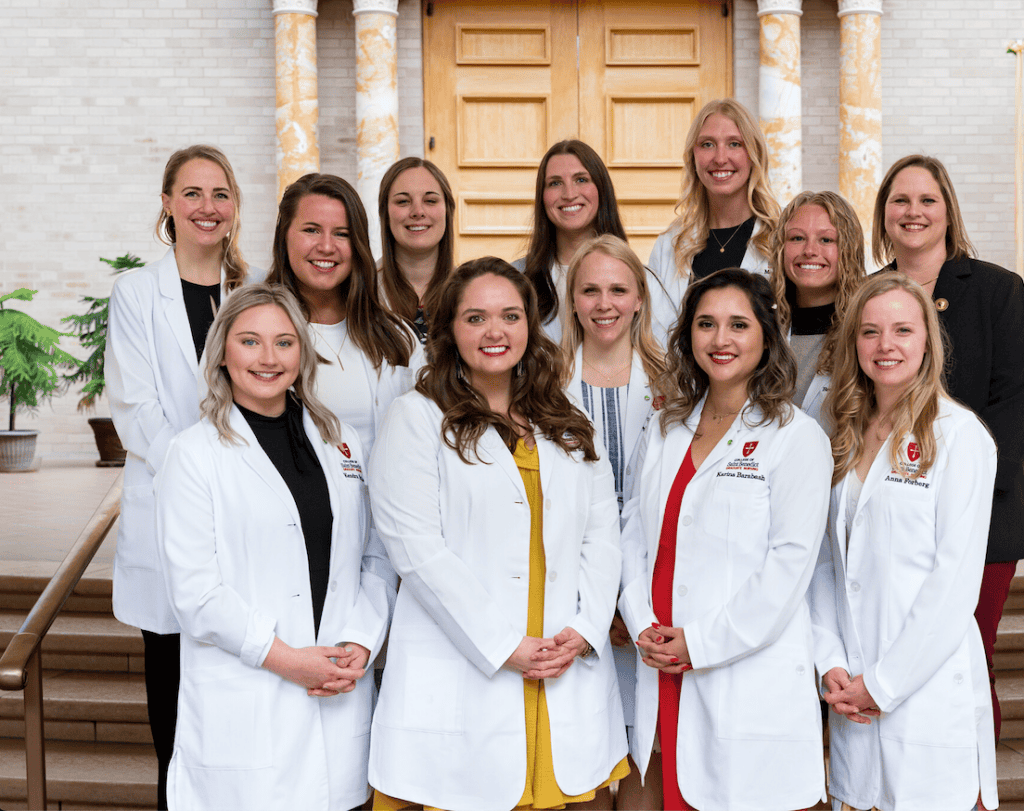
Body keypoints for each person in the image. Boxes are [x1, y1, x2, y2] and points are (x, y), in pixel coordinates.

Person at [368, 257, 628, 811]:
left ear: (531, 327)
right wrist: (504, 645)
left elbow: (603, 534)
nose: (495, 332)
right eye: (476, 318)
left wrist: (585, 628)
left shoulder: (567, 415)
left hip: (561, 662)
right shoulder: (415, 418)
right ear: (447, 331)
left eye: (511, 316)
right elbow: (417, 553)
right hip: (470, 665)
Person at [155, 284, 392, 811]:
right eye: (250, 342)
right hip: (247, 702)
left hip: (336, 689)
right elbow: (195, 592)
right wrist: (285, 659)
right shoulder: (193, 454)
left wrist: (360, 639)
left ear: (303, 353)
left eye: (284, 342)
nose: (268, 358)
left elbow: (374, 554)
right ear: (222, 353)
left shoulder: (344, 443)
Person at [619, 269, 831, 811]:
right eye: (706, 324)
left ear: (766, 336)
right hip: (659, 658)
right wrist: (642, 620)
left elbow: (790, 565)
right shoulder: (666, 426)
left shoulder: (795, 437)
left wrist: (701, 644)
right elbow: (634, 532)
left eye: (738, 324)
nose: (721, 340)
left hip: (739, 667)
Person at [107, 144, 262, 810]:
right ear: (167, 203)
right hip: (173, 517)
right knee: (174, 712)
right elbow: (137, 410)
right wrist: (210, 482)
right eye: (192, 193)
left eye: (220, 193)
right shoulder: (136, 293)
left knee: (238, 705)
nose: (207, 207)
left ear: (234, 208)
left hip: (249, 525)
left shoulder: (256, 294)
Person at [809, 273, 998, 811]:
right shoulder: (841, 434)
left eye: (902, 330)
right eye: (869, 332)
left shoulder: (960, 438)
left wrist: (883, 684)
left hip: (923, 690)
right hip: (852, 687)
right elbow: (825, 563)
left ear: (926, 341)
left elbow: (954, 583)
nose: (885, 346)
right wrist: (831, 664)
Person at [873, 154, 1024, 742]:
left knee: (962, 660)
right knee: (899, 654)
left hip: (978, 517)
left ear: (948, 210)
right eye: (900, 201)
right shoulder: (868, 295)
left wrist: (965, 496)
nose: (913, 212)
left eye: (926, 200)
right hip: (890, 511)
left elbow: (1014, 403)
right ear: (883, 214)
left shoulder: (999, 291)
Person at [561, 234, 667, 810]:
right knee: (586, 766)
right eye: (591, 289)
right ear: (572, 299)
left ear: (639, 299)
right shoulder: (543, 381)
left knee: (645, 757)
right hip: (576, 601)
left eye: (618, 289)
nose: (605, 303)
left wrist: (633, 604)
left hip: (652, 599)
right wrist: (601, 606)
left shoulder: (678, 380)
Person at [267, 172, 421, 460]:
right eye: (311, 230)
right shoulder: (255, 333)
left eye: (342, 233)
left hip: (386, 503)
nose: (326, 246)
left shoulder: (398, 336)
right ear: (284, 236)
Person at [648, 99, 780, 342]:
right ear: (693, 157)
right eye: (707, 144)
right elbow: (654, 338)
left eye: (734, 144)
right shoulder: (669, 245)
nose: (720, 158)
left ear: (754, 155)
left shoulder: (780, 240)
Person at [514, 139, 630, 343]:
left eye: (581, 180)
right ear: (542, 197)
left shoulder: (641, 279)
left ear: (601, 190)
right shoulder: (515, 279)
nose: (569, 194)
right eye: (555, 183)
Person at [770, 190, 866, 428]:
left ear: (848, 249)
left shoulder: (867, 328)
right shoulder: (761, 326)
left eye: (826, 240)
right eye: (797, 238)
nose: (810, 250)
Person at [377, 157, 456, 343]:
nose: (418, 211)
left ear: (447, 211)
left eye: (430, 200)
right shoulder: (358, 293)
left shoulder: (470, 291)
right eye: (403, 201)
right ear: (385, 213)